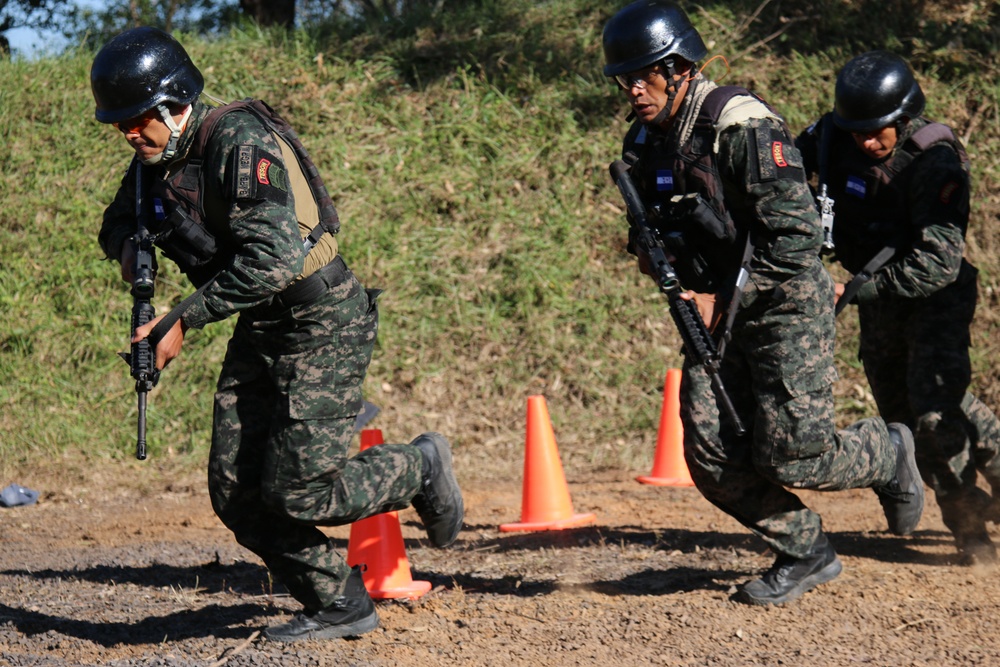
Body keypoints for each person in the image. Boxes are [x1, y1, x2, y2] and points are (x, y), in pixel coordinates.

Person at [90, 27, 464, 640]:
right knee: (235, 492)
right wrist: (134, 251)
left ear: (173, 104)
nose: (130, 135)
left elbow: (274, 259)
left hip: (321, 320)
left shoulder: (237, 140)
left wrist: (181, 317)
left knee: (300, 492)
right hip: (262, 326)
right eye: (121, 125)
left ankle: (419, 467)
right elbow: (117, 223)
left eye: (138, 121)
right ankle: (339, 602)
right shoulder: (155, 162)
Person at [602, 0, 926, 606]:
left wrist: (721, 301)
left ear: (679, 68)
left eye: (644, 75)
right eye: (624, 80)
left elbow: (796, 239)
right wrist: (659, 262)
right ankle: (808, 552)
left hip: (781, 303)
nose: (634, 90)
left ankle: (887, 451)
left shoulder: (741, 125)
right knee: (710, 452)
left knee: (794, 455)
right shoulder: (645, 142)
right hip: (713, 310)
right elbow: (651, 232)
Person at [797, 50, 1000, 564]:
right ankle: (969, 500)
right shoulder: (829, 142)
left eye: (879, 131)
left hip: (935, 296)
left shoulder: (935, 161)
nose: (867, 142)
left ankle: (969, 528)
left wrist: (852, 290)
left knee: (936, 412)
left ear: (904, 118)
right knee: (904, 421)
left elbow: (937, 264)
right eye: (858, 131)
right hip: (876, 296)